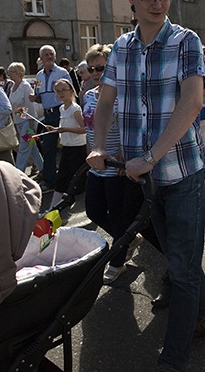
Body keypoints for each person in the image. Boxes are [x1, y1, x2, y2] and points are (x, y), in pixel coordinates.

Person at [86, 0, 205, 372]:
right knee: (181, 256)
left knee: (180, 267)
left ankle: (174, 358)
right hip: (141, 175)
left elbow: (192, 102)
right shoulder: (121, 48)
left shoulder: (186, 41)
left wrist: (150, 157)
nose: (158, 5)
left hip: (181, 172)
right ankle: (201, 315)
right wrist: (96, 145)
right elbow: (104, 103)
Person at [82, 44, 144, 283]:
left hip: (116, 165)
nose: (97, 72)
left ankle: (118, 259)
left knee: (117, 215)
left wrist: (122, 155)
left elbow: (132, 127)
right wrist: (89, 155)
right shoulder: (88, 95)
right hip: (96, 164)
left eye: (101, 67)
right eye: (92, 68)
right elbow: (88, 130)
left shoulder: (123, 95)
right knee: (94, 211)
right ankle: (128, 239)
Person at [30, 45, 71, 194]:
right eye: (46, 54)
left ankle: (69, 180)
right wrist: (34, 98)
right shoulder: (39, 76)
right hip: (48, 115)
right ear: (41, 58)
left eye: (51, 54)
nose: (49, 56)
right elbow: (39, 96)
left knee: (67, 147)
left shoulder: (62, 72)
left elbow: (72, 92)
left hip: (61, 112)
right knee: (48, 148)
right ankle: (50, 181)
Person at [45, 78, 86, 208]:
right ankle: (53, 208)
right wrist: (55, 129)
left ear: (71, 91)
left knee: (79, 180)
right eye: (58, 91)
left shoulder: (75, 109)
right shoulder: (62, 108)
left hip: (78, 150)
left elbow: (84, 129)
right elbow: (63, 128)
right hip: (67, 148)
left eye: (64, 90)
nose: (61, 93)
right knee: (62, 179)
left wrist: (66, 129)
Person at [7, 62, 44, 174]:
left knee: (23, 148)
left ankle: (18, 174)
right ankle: (43, 169)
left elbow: (30, 107)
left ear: (19, 73)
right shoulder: (13, 87)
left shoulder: (25, 87)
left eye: (12, 72)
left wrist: (31, 125)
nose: (9, 74)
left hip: (28, 123)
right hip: (19, 122)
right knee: (32, 149)